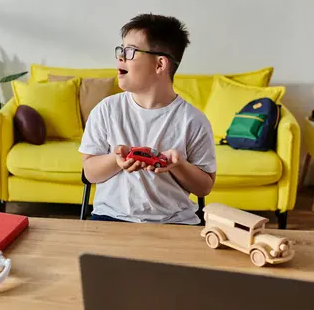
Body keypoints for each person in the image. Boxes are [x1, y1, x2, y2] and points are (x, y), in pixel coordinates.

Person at [79, 13, 216, 224]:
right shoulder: (106, 110)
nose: (121, 57)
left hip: (174, 223)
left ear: (160, 64)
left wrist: (178, 164)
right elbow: (89, 172)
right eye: (121, 49)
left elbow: (204, 187)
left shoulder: (193, 121)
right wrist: (116, 160)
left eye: (131, 51)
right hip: (111, 218)